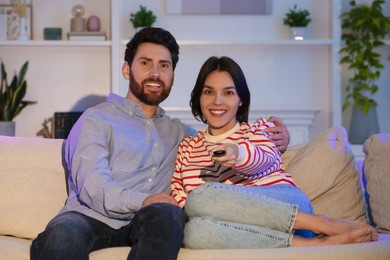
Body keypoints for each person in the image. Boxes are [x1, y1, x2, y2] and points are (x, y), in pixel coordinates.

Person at [30, 28, 290, 260]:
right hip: (88, 218)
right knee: (63, 233)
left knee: (168, 215)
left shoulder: (182, 135)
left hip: (148, 224)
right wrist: (144, 200)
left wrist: (277, 137)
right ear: (126, 69)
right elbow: (92, 186)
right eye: (146, 63)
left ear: (172, 76)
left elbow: (226, 136)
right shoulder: (96, 119)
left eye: (164, 65)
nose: (155, 72)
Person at [170, 56, 378, 249]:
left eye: (228, 92)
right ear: (199, 97)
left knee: (201, 196)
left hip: (286, 203)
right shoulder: (188, 146)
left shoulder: (259, 129)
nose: (217, 101)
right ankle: (310, 244)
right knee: (194, 232)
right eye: (208, 92)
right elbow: (180, 197)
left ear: (240, 100)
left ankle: (323, 223)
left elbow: (267, 159)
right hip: (242, 229)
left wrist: (238, 153)